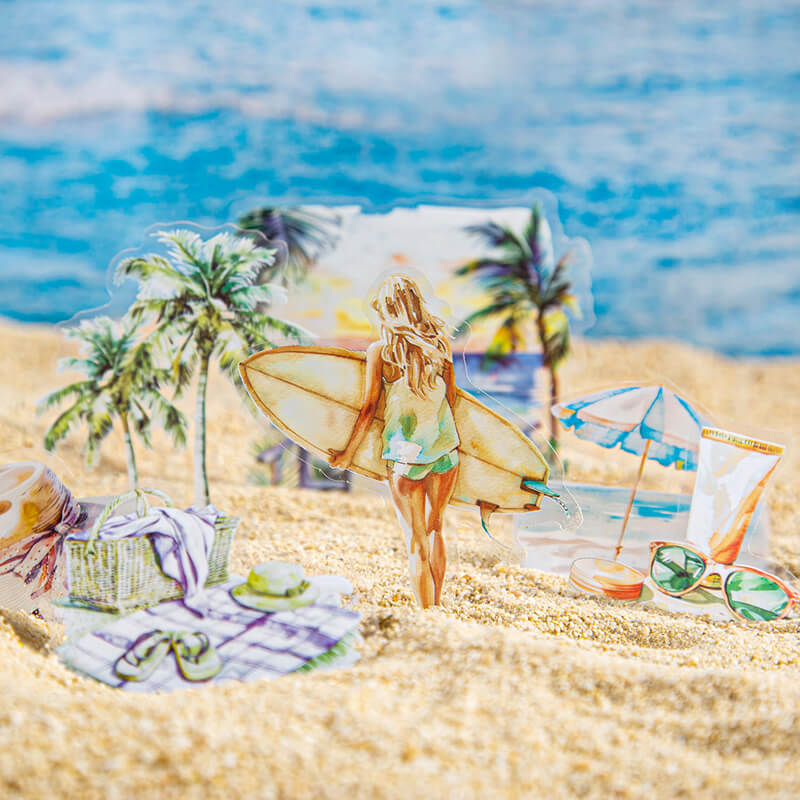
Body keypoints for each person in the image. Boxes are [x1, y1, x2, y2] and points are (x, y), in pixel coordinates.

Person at [329, 274, 460, 608]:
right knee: (436, 529)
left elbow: (368, 409)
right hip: (445, 451)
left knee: (416, 540)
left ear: (388, 311)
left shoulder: (381, 352)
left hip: (405, 458)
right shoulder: (439, 346)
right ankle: (437, 605)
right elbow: (452, 398)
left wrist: (347, 454)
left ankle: (426, 613)